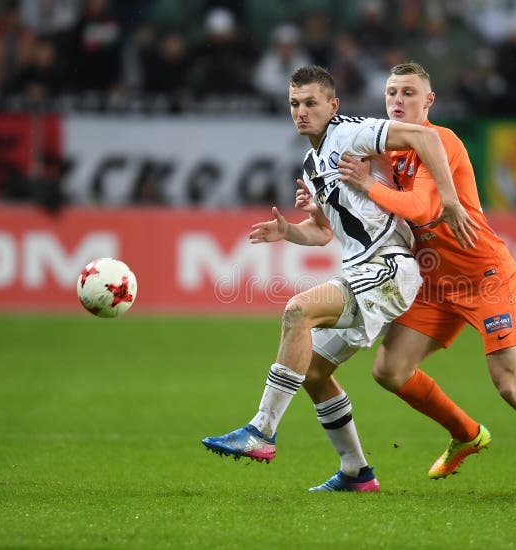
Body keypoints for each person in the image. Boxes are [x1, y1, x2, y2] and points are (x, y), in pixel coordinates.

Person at [301, 62, 516, 500]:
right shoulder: (389, 150)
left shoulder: (438, 142)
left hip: (484, 277)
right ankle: (465, 433)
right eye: (391, 93)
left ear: (429, 101)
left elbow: (423, 210)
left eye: (408, 93)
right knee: (390, 371)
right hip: (434, 283)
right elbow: (364, 205)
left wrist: (366, 184)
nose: (397, 101)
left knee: (510, 385)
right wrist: (319, 206)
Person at [201, 65, 478, 491]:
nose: (301, 111)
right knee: (311, 370)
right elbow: (327, 232)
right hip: (362, 269)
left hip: (389, 267)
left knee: (297, 312)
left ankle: (261, 430)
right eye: (294, 103)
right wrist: (292, 231)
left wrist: (451, 200)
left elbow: (425, 136)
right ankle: (356, 472)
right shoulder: (313, 162)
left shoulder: (352, 132)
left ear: (333, 105)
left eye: (311, 103)